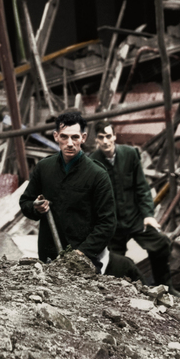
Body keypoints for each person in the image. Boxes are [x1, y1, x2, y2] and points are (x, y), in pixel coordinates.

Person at [89, 122, 180, 292]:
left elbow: (142, 187)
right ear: (96, 139)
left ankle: (166, 288)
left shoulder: (130, 154)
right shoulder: (92, 162)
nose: (105, 141)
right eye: (101, 137)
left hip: (134, 219)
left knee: (161, 243)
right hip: (112, 226)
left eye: (108, 136)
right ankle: (121, 294)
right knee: (113, 263)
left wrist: (148, 215)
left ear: (115, 136)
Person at [20, 111, 116, 269]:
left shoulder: (97, 175)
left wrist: (81, 253)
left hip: (83, 263)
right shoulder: (44, 168)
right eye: (64, 137)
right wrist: (35, 207)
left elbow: (107, 223)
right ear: (56, 136)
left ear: (83, 138)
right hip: (49, 258)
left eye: (75, 137)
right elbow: (25, 202)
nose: (70, 143)